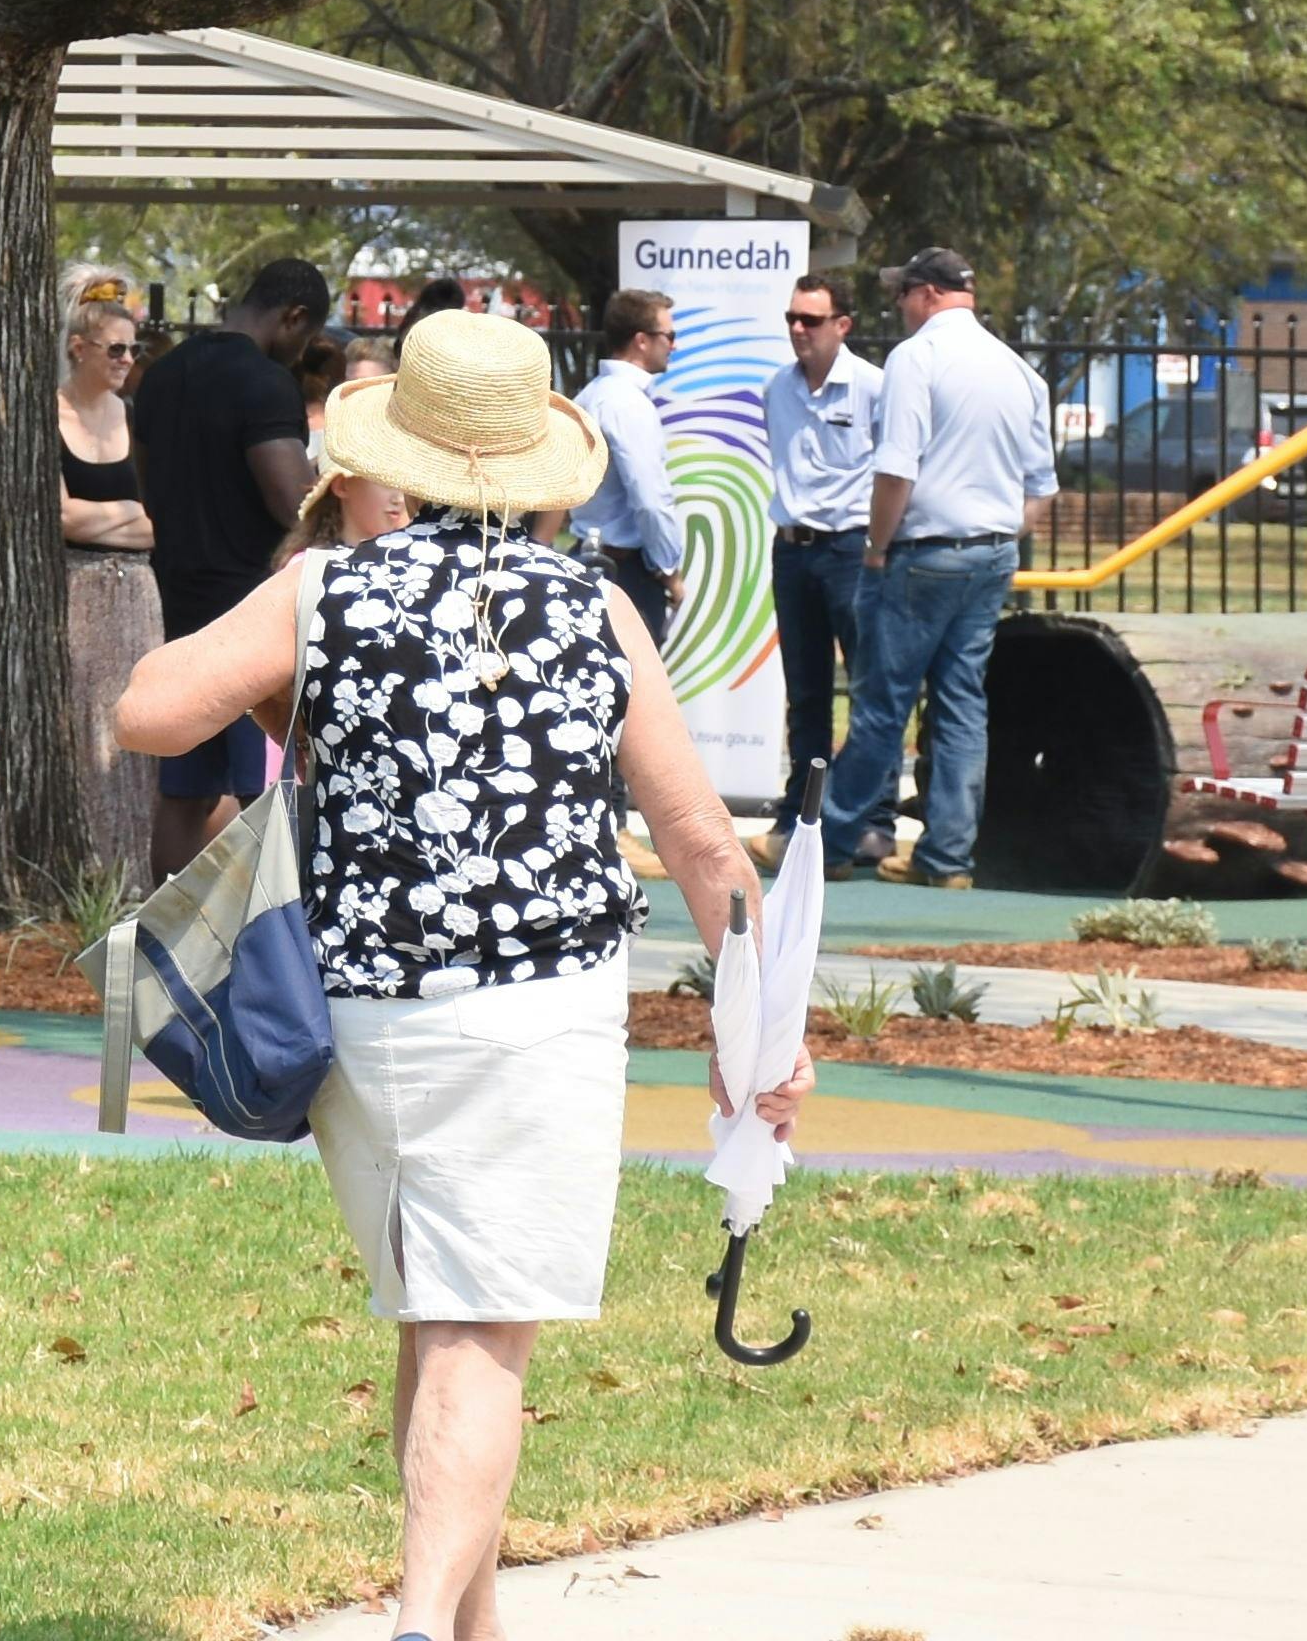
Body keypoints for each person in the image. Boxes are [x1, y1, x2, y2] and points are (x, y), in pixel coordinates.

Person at [114, 307, 802, 1641]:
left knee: (435, 1325)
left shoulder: (329, 591)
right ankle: (424, 1626)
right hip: (540, 1019)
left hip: (359, 1018)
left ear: (401, 456)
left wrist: (289, 682)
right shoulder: (595, 608)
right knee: (480, 1339)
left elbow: (147, 706)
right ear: (538, 466)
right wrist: (764, 1025)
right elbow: (698, 835)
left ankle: (469, 1627)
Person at [814, 249, 1050, 884]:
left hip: (920, 552)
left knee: (881, 705)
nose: (898, 309)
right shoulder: (1020, 371)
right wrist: (998, 534)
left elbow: (896, 469)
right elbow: (1042, 488)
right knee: (961, 702)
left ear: (925, 294)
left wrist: (875, 548)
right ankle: (948, 855)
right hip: (993, 549)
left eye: (901, 296)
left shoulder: (916, 358)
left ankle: (830, 842)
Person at [130, 257, 325, 872]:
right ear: (292, 317)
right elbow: (293, 500)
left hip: (181, 603)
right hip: (252, 614)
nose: (303, 353)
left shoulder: (162, 376)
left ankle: (159, 952)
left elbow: (144, 483)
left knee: (185, 794)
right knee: (263, 794)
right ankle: (271, 947)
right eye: (307, 337)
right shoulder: (265, 384)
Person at [757, 277, 878, 843]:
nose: (799, 330)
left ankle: (869, 816)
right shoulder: (776, 388)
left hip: (851, 548)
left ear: (842, 326)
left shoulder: (873, 388)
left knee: (868, 685)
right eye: (792, 319)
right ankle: (800, 812)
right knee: (805, 691)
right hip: (793, 547)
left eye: (811, 319)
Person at [55, 286, 160, 887]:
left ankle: (135, 874)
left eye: (133, 349)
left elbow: (163, 518)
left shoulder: (136, 418)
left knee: (136, 727)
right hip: (77, 587)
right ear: (79, 347)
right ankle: (86, 872)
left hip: (140, 592)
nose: (126, 360)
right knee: (84, 726)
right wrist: (132, 515)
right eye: (115, 348)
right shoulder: (51, 412)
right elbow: (62, 518)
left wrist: (113, 516)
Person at [569, 288, 684, 637]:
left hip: (590, 557)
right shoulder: (627, 404)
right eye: (669, 335)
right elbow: (650, 499)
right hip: (625, 570)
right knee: (637, 686)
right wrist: (670, 571)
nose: (674, 345)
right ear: (642, 341)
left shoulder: (591, 394)